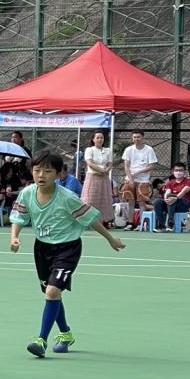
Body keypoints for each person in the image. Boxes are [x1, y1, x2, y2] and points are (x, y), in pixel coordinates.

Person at [10, 151, 125, 357]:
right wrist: (14, 237)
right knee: (52, 294)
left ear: (58, 174)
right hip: (42, 248)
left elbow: (90, 219)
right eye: (37, 170)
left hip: (67, 248)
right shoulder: (27, 193)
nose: (41, 175)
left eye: (47, 171)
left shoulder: (67, 197)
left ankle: (41, 340)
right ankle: (65, 333)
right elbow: (19, 216)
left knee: (52, 291)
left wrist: (110, 239)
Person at [121, 130, 157, 221]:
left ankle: (141, 223)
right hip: (129, 179)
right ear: (132, 138)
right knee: (130, 202)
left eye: (138, 137)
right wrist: (130, 179)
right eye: (134, 137)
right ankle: (130, 222)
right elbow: (126, 166)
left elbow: (151, 166)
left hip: (143, 180)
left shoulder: (149, 149)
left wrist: (138, 172)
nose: (136, 139)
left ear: (142, 137)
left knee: (141, 203)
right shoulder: (128, 149)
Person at [80, 130, 113, 227]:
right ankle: (86, 221)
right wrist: (102, 170)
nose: (100, 139)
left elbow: (110, 164)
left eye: (101, 138)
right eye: (97, 138)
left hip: (104, 178)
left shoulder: (108, 150)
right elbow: (90, 163)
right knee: (89, 200)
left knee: (104, 200)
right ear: (93, 139)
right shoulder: (89, 150)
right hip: (92, 177)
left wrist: (106, 170)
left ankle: (102, 222)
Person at [153, 162, 190, 231]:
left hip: (183, 205)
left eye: (180, 170)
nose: (178, 172)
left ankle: (170, 222)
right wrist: (165, 198)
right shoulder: (170, 182)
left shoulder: (189, 181)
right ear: (173, 171)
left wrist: (175, 198)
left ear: (184, 171)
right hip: (170, 205)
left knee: (172, 198)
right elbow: (167, 192)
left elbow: (182, 192)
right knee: (157, 202)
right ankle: (161, 225)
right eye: (176, 170)